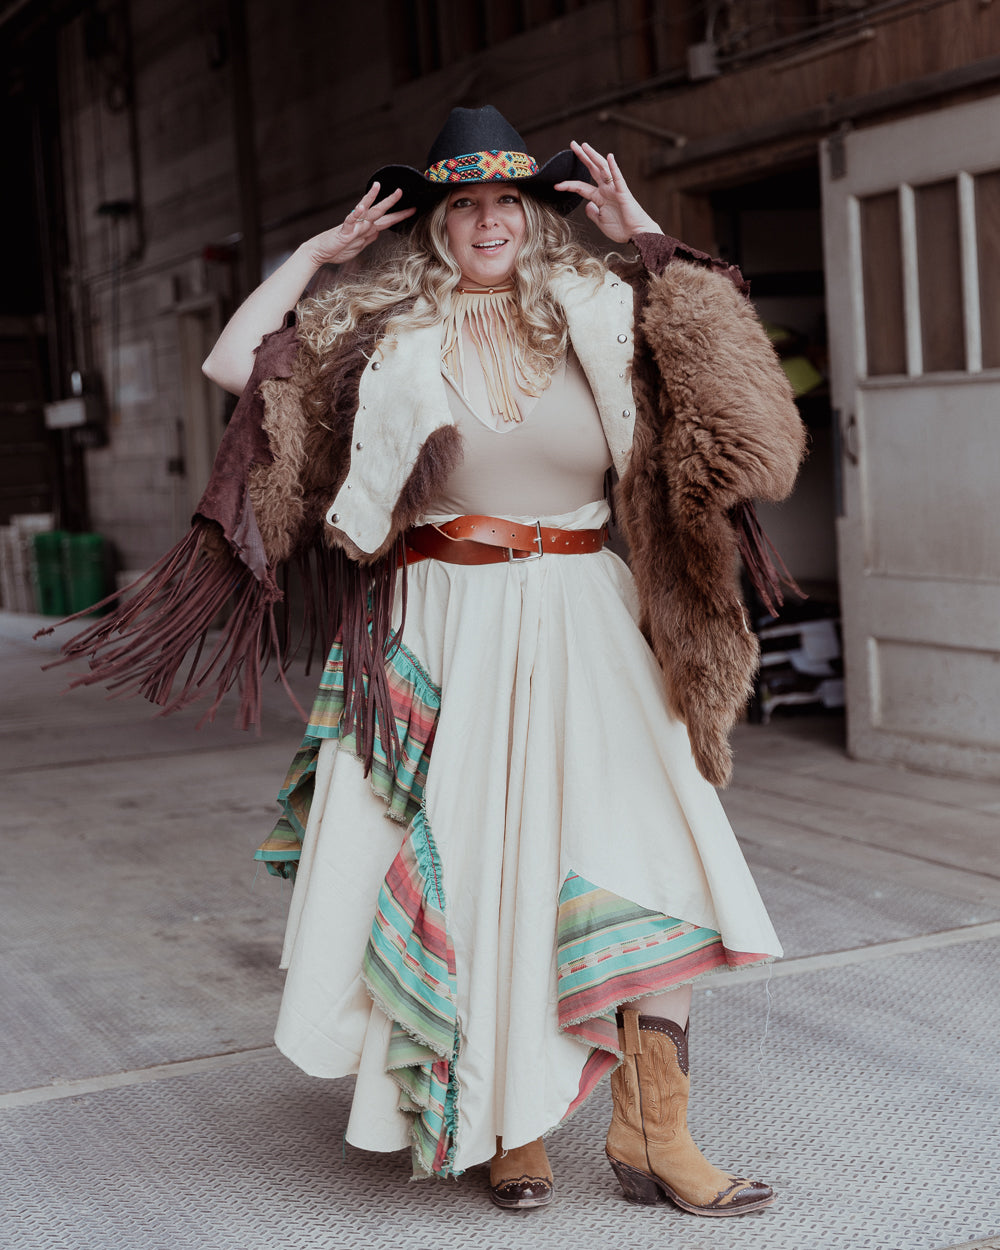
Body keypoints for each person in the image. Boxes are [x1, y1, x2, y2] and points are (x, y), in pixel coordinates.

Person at [59, 105, 805, 1212]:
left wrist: (641, 226)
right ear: (440, 225)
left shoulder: (602, 308)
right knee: (486, 872)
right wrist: (317, 256)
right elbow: (232, 363)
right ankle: (507, 1121)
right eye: (466, 206)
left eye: (510, 200)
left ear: (538, 216)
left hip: (591, 616)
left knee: (658, 857)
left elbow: (736, 382)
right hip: (446, 619)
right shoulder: (382, 338)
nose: (491, 221)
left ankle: (656, 1139)